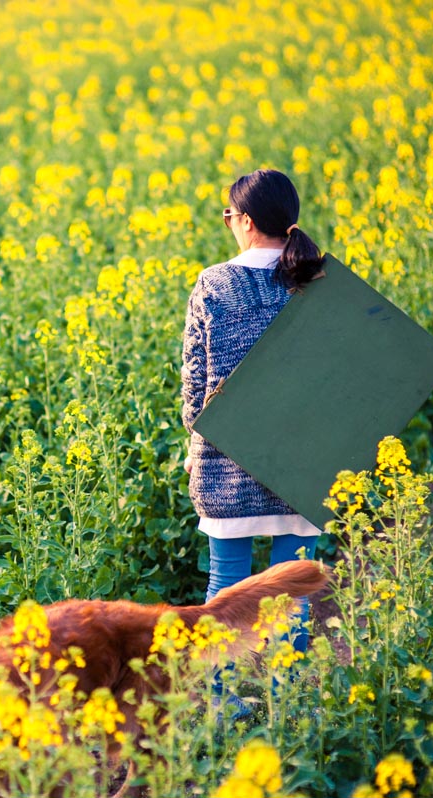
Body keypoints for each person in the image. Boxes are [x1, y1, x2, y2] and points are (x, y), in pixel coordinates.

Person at [180, 168, 326, 655]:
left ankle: (223, 703)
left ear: (243, 220)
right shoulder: (318, 280)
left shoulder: (213, 283)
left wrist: (195, 447)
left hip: (227, 465)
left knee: (224, 594)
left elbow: (196, 384)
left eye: (228, 215)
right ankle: (293, 700)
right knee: (295, 594)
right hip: (303, 465)